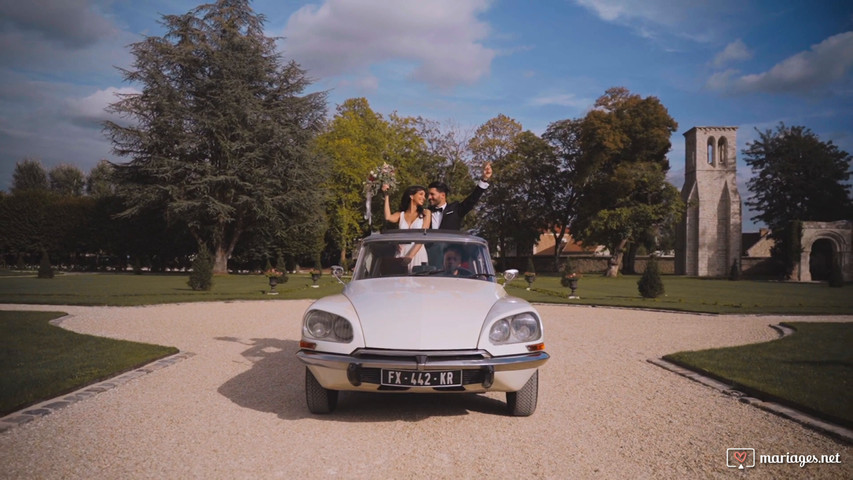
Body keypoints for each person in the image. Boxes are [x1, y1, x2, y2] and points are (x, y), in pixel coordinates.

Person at [427, 162, 492, 230]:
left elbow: (472, 199)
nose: (429, 197)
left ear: (442, 195)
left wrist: (484, 179)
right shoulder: (426, 212)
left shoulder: (456, 210)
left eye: (432, 194)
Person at [383, 184, 431, 269]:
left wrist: (410, 256)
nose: (424, 198)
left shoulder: (426, 213)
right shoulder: (400, 215)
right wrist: (386, 195)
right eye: (421, 194)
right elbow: (388, 217)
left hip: (417, 252)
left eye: (424, 195)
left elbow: (424, 237)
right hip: (401, 252)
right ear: (411, 196)